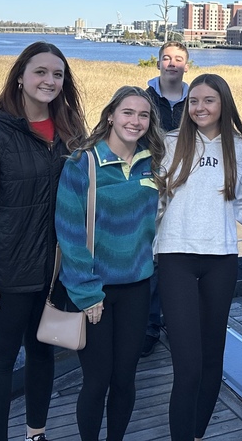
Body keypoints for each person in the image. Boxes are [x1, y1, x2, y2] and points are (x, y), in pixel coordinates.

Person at [0, 42, 86, 441]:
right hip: (7, 273)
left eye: (58, 74)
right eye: (41, 72)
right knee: (0, 360)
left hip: (55, 272)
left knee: (43, 352)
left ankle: (36, 434)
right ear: (21, 77)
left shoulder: (71, 131)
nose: (49, 80)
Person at [55, 86, 166, 441]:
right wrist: (87, 293)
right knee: (97, 379)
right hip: (94, 290)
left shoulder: (154, 162)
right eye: (128, 113)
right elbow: (69, 231)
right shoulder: (83, 163)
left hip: (136, 286)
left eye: (143, 115)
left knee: (125, 378)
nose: (135, 121)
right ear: (110, 116)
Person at [154, 73, 242, 441]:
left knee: (213, 360)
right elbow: (157, 202)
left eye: (208, 100)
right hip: (176, 257)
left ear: (223, 104)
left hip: (221, 259)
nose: (200, 107)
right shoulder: (169, 143)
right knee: (188, 366)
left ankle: (197, 434)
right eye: (194, 101)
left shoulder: (239, 148)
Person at [142, 40, 190, 356]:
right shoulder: (144, 98)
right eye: (167, 58)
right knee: (150, 256)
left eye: (179, 59)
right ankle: (148, 327)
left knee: (180, 257)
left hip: (187, 188)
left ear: (187, 64)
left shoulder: (195, 99)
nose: (172, 63)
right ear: (158, 62)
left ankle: (178, 322)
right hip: (148, 186)